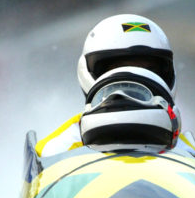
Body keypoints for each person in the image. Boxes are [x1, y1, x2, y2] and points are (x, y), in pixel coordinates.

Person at [35, 14, 181, 157]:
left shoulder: (187, 150)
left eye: (150, 70)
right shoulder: (54, 150)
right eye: (120, 68)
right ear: (88, 72)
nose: (133, 79)